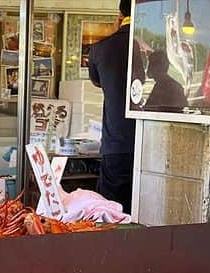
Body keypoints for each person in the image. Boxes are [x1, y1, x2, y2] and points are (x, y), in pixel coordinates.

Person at [88, 0, 142, 214]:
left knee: (111, 211)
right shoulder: (151, 48)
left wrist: (114, 32)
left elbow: (97, 81)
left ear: (120, 14)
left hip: (116, 145)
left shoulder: (100, 48)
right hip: (148, 145)